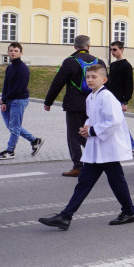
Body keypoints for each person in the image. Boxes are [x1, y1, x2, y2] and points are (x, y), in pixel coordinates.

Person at [38, 64, 134, 230]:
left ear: (103, 79)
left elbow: (115, 121)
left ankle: (129, 211)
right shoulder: (91, 97)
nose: (90, 80)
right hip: (97, 148)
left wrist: (91, 130)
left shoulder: (107, 97)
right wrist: (86, 127)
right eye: (88, 77)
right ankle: (65, 216)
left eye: (94, 77)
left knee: (115, 181)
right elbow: (91, 117)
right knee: (85, 181)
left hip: (108, 147)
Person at [44, 34, 102, 177]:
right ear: (88, 46)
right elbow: (107, 83)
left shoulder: (70, 61)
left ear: (75, 47)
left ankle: (78, 166)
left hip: (74, 104)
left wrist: (48, 101)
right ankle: (95, 160)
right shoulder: (98, 61)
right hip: (94, 103)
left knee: (73, 135)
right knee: (88, 132)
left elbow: (58, 82)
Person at [0, 42, 44, 160]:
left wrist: (4, 99)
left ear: (21, 53)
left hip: (19, 100)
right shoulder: (10, 67)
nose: (13, 52)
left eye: (16, 51)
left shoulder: (23, 69)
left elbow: (19, 88)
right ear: (7, 52)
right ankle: (35, 140)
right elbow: (6, 85)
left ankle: (10, 151)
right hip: (9, 100)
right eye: (11, 50)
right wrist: (4, 101)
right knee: (12, 126)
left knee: (14, 127)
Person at [107, 41, 134, 154]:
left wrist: (125, 101)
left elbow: (129, 84)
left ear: (121, 49)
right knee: (115, 123)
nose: (112, 52)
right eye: (111, 50)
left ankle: (132, 145)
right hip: (111, 98)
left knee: (119, 123)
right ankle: (117, 145)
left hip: (120, 100)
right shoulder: (113, 65)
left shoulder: (126, 65)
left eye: (114, 49)